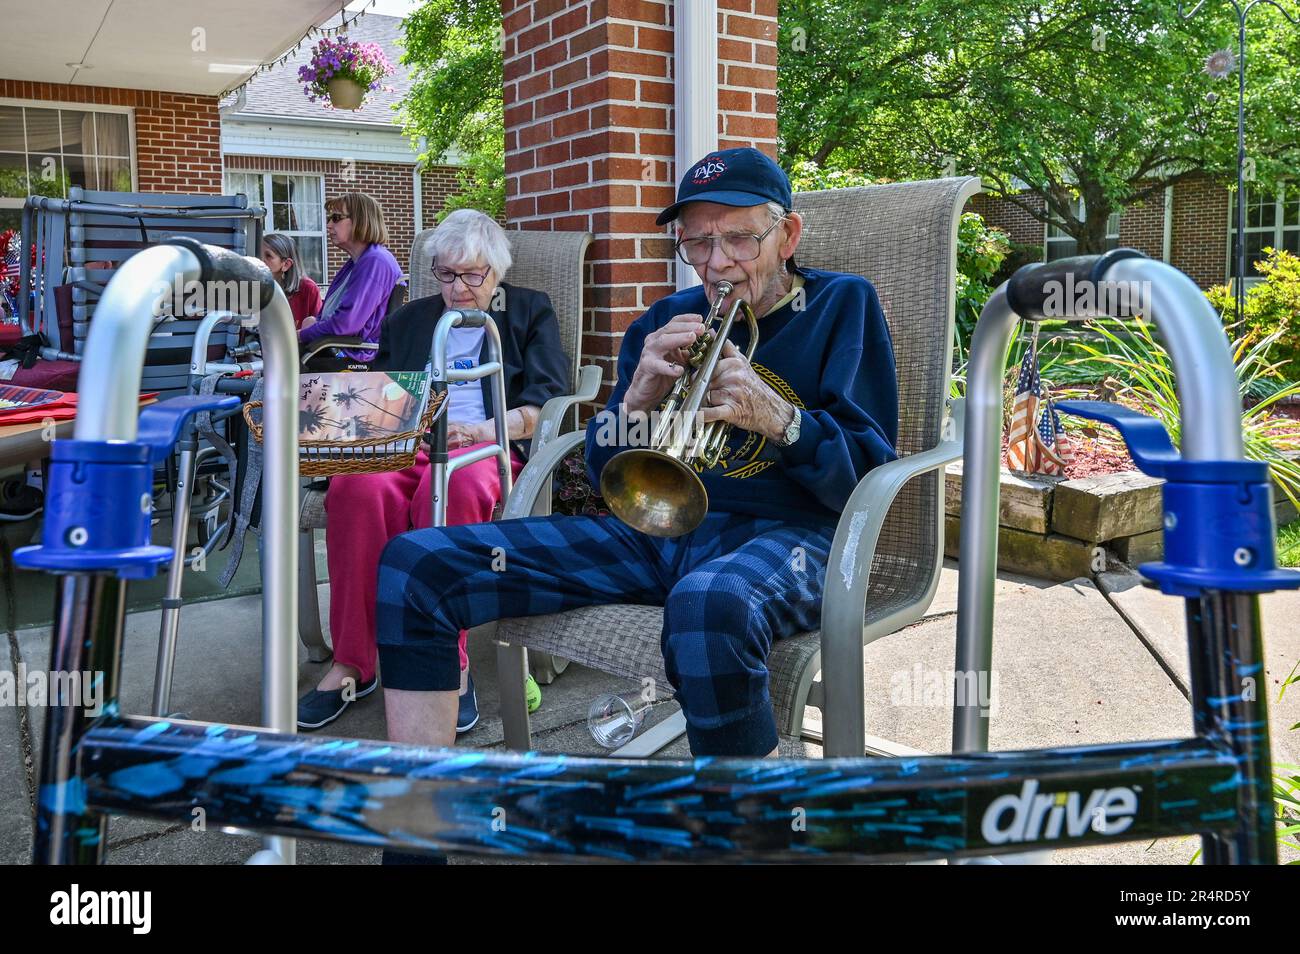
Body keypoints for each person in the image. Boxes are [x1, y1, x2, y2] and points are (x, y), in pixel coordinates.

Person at [374, 147, 898, 772]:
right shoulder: (664, 321)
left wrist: (782, 419)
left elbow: (868, 476)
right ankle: (415, 822)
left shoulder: (842, 305)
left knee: (708, 604)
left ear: (787, 235)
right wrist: (638, 401)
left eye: (738, 239)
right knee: (417, 565)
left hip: (794, 535)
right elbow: (604, 474)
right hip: (658, 532)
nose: (717, 263)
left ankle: (745, 834)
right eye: (697, 244)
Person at [297, 209, 569, 732]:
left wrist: (486, 429)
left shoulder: (530, 312)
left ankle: (449, 662)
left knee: (451, 490)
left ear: (496, 272)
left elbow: (545, 402)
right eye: (447, 274)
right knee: (356, 490)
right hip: (414, 441)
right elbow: (381, 397)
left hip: (486, 446)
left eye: (472, 275)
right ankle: (355, 661)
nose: (458, 287)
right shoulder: (410, 319)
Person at [299, 192, 402, 370]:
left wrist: (301, 335)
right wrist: (313, 323)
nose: (329, 225)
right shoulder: (358, 262)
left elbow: (345, 324)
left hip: (356, 357)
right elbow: (331, 316)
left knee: (280, 364)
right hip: (338, 347)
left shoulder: (375, 261)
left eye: (336, 218)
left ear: (361, 220)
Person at [260, 233, 322, 331]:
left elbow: (318, 328)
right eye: (258, 254)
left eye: (268, 256)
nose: (260, 260)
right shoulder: (254, 287)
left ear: (286, 264)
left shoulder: (308, 289)